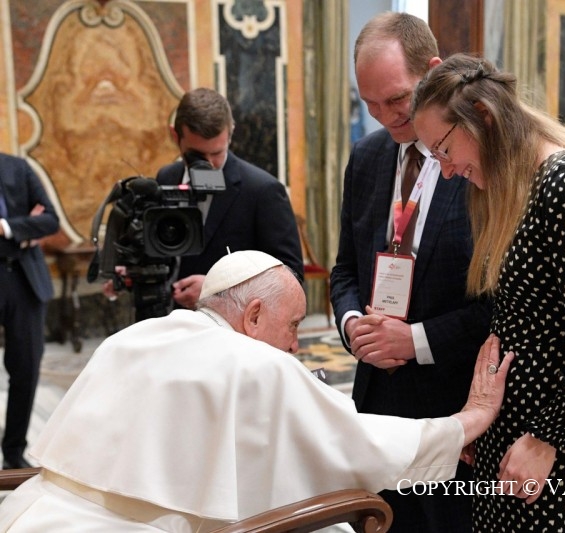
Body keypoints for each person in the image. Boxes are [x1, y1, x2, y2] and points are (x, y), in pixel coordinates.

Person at [0, 250, 513, 531]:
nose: (294, 345)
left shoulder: (136, 336)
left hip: (32, 515)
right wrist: (467, 420)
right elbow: (358, 444)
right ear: (253, 315)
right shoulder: (254, 363)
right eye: (292, 325)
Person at [411, 53, 565, 532]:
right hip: (517, 441)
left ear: (482, 116)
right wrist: (486, 419)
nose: (447, 170)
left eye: (444, 149)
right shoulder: (511, 189)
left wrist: (546, 436)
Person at [330, 13, 491, 532]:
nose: (384, 116)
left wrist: (415, 340)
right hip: (379, 402)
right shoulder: (367, 157)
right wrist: (354, 325)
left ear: (433, 71)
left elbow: (500, 302)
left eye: (396, 98)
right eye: (370, 104)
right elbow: (344, 270)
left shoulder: (477, 161)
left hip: (454, 408)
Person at [156, 87, 304, 310]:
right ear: (176, 137)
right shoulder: (166, 177)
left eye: (217, 153)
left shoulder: (263, 190)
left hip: (231, 326)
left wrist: (216, 290)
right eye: (197, 155)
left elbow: (291, 276)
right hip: (167, 321)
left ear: (230, 132)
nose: (209, 164)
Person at [0, 154, 59, 470]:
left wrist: (7, 227)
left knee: (26, 368)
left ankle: (13, 454)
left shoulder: (17, 167)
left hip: (24, 281)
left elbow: (50, 220)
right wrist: (24, 232)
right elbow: (35, 224)